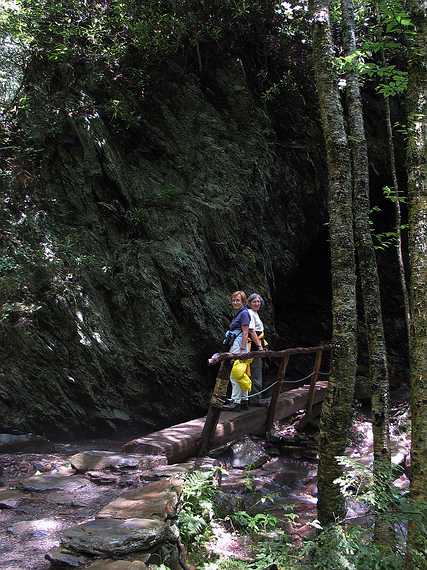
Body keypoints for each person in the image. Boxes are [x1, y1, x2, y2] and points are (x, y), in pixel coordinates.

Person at [222, 290, 251, 411]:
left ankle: (235, 402)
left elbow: (245, 332)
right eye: (233, 300)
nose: (235, 302)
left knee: (235, 375)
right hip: (239, 345)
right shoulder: (239, 313)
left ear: (243, 301)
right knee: (241, 373)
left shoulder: (244, 314)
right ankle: (244, 400)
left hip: (239, 346)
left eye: (238, 300)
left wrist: (242, 349)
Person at [247, 293, 266, 406]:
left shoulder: (255, 313)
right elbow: (251, 330)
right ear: (249, 303)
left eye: (258, 301)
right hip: (253, 347)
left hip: (256, 345)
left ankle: (253, 398)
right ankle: (255, 399)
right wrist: (259, 347)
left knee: (255, 372)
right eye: (254, 301)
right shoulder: (250, 313)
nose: (257, 303)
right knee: (255, 373)